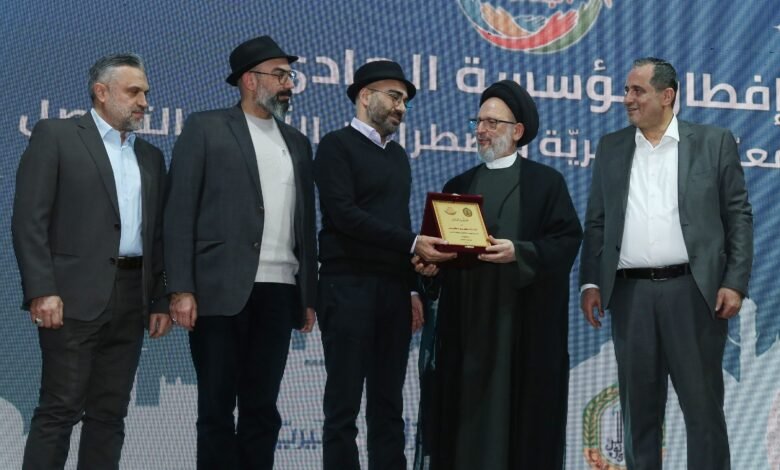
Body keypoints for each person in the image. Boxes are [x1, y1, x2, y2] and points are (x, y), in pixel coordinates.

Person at [580, 58, 753, 469]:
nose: (627, 99)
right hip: (631, 295)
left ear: (667, 95)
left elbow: (738, 216)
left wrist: (734, 282)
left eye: (637, 91)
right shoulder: (612, 147)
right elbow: (597, 222)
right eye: (627, 90)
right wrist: (591, 282)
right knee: (638, 411)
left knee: (703, 411)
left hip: (693, 294)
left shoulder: (713, 142)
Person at [163, 36, 317, 469]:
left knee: (262, 410)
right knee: (216, 410)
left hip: (279, 292)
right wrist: (181, 288)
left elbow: (306, 225)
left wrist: (308, 294)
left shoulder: (298, 142)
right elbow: (179, 213)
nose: (289, 84)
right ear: (250, 80)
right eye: (280, 75)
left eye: (289, 75)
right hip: (218, 292)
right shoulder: (206, 128)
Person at [12, 53, 171, 470]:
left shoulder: (151, 157)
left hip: (132, 298)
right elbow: (30, 220)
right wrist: (42, 290)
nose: (144, 102)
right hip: (70, 297)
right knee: (59, 410)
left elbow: (157, 236)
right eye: (133, 92)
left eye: (145, 93)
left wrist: (159, 299)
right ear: (101, 92)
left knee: (110, 414)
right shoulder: (56, 136)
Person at [415, 80, 582, 469]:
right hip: (466, 329)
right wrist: (430, 269)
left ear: (517, 131)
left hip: (519, 328)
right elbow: (443, 257)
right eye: (478, 121)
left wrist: (518, 252)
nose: (481, 130)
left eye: (492, 122)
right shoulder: (458, 187)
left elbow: (565, 242)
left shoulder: (545, 184)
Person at [314, 60, 455, 470]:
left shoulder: (398, 156)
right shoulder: (335, 146)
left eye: (405, 101)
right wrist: (412, 243)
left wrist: (411, 287)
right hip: (347, 286)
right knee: (342, 405)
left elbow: (398, 221)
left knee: (389, 403)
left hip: (393, 291)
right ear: (365, 96)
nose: (401, 108)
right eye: (394, 97)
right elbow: (343, 215)